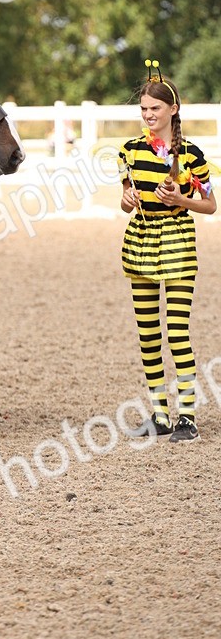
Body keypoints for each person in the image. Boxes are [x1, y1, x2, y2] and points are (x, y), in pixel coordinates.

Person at [119, 61, 216, 443]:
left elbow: (211, 205)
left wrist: (181, 198)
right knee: (147, 334)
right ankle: (160, 414)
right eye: (143, 109)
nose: (147, 115)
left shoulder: (192, 155)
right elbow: (127, 202)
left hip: (177, 242)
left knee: (177, 332)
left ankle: (187, 417)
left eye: (154, 109)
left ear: (172, 110)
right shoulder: (128, 150)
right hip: (140, 242)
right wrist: (127, 199)